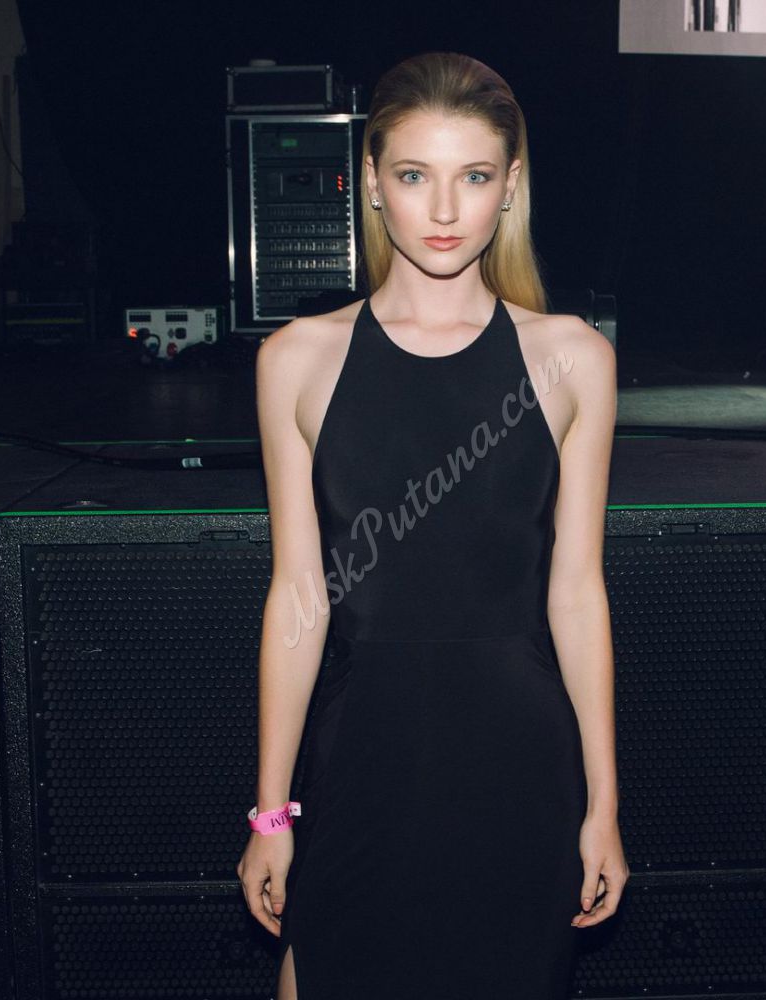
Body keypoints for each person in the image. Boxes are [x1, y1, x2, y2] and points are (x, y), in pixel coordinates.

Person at [236, 50, 626, 1000]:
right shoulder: (297, 358)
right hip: (362, 759)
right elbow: (297, 598)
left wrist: (603, 804)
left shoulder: (572, 357)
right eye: (414, 176)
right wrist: (271, 815)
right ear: (371, 182)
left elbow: (576, 593)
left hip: (519, 764)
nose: (444, 209)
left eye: (474, 176)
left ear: (510, 186)